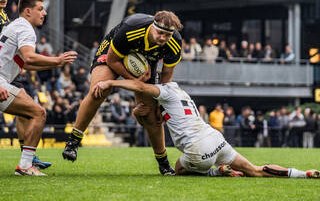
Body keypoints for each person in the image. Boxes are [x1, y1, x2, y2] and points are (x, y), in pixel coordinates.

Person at [92, 79, 320, 179]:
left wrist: (112, 83)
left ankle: (215, 171)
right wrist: (137, 113)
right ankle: (302, 174)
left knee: (178, 170)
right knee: (255, 170)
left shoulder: (165, 91)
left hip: (199, 148)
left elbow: (140, 86)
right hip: (216, 139)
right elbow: (150, 121)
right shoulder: (180, 94)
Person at [63, 11, 183, 175]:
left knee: (152, 115)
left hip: (145, 61)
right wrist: (135, 80)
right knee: (99, 90)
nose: (163, 38)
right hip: (114, 52)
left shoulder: (175, 42)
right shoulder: (132, 28)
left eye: (167, 35)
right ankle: (73, 141)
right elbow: (112, 61)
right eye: (160, 33)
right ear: (152, 27)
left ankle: (163, 163)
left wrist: (161, 105)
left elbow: (166, 77)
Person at [0, 0, 77, 176]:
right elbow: (29, 57)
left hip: (3, 81)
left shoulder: (15, 26)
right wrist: (57, 59)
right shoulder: (26, 28)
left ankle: (27, 162)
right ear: (28, 11)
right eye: (40, 9)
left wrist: (56, 63)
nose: (44, 13)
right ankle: (25, 165)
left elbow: (24, 63)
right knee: (38, 113)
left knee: (30, 112)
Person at [0, 0, 52, 170]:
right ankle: (26, 163)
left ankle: (28, 157)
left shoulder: (5, 19)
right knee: (36, 112)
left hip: (5, 77)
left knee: (26, 111)